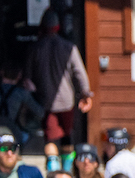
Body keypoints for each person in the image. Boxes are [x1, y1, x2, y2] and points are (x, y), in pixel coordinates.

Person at [29, 11, 92, 143]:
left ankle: (53, 163)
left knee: (50, 139)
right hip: (66, 101)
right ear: (58, 27)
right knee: (67, 136)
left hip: (45, 100)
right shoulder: (69, 47)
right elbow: (79, 72)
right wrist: (85, 93)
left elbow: (27, 79)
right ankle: (67, 164)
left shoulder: (35, 49)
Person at [0, 65, 43, 150]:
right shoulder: (22, 93)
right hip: (15, 133)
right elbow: (40, 113)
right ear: (19, 76)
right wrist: (34, 92)